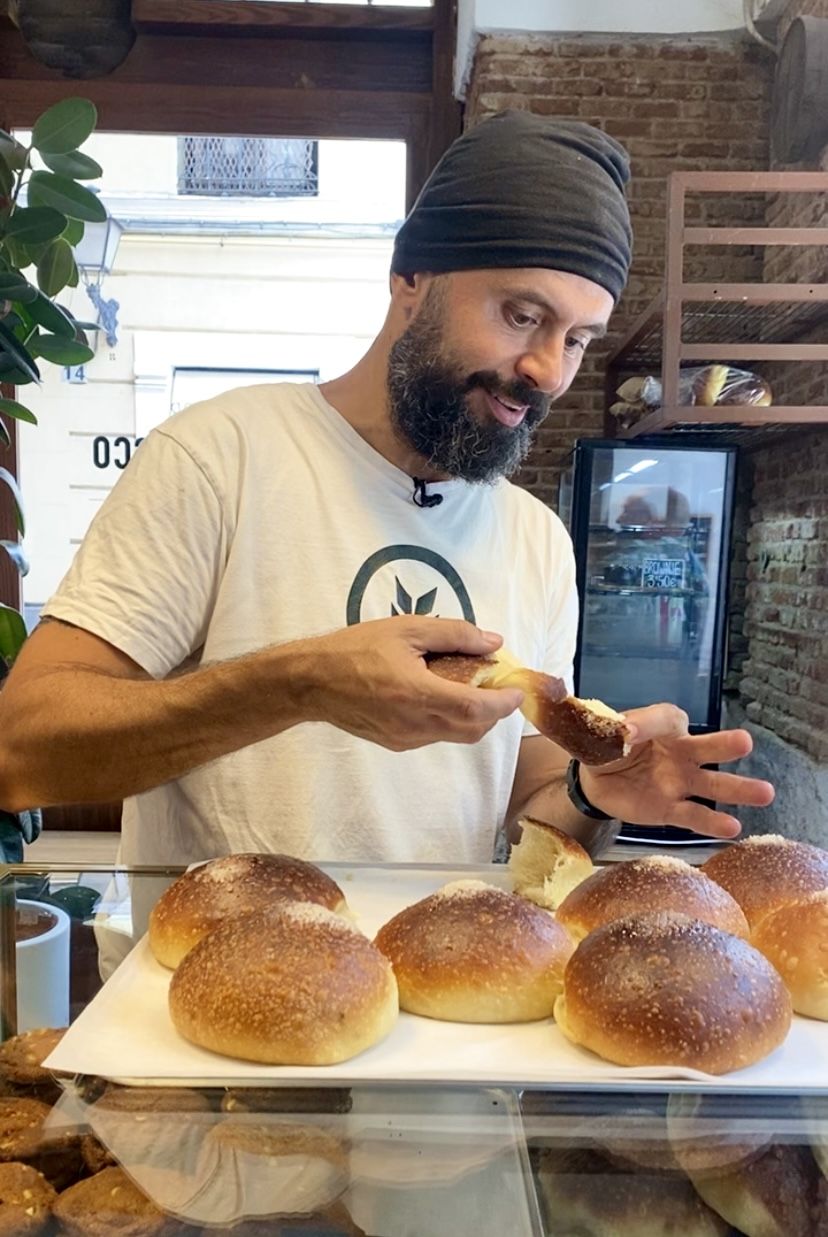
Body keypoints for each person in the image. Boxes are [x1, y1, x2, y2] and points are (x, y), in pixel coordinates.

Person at [0, 111, 774, 868]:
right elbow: (22, 749)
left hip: (436, 988)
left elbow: (525, 800)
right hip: (210, 982)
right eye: (521, 313)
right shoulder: (219, 457)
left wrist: (593, 790)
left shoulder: (538, 539)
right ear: (412, 275)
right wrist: (300, 685)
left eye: (576, 339)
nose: (547, 369)